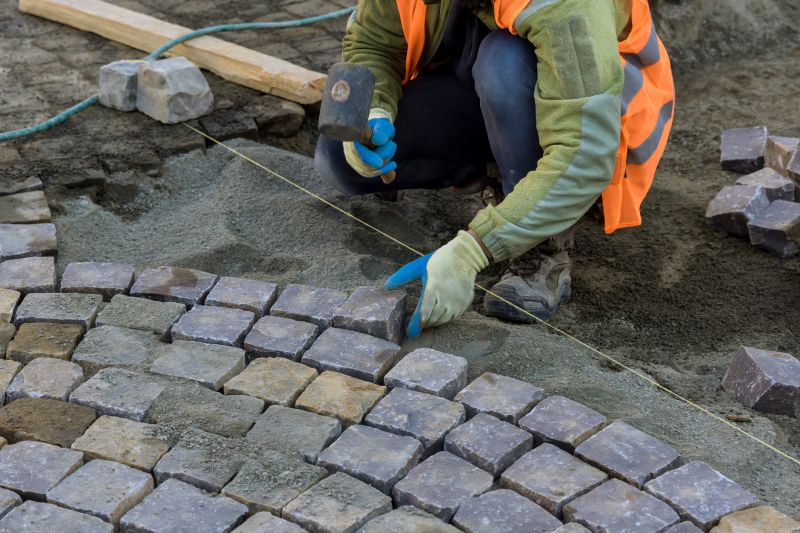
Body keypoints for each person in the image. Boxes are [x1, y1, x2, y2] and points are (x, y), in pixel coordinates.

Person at [315, 0, 674, 337]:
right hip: (475, 85)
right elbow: (374, 43)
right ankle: (493, 168)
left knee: (502, 60)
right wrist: (376, 110)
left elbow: (584, 155)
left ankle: (544, 247)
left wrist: (474, 249)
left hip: (591, 120)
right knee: (337, 159)